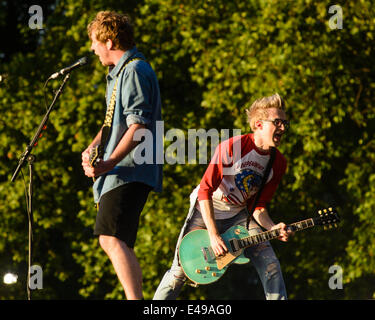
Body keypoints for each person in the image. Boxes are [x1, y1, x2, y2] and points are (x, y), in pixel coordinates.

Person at [153, 93, 291, 300]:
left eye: (285, 123)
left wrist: (272, 228)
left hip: (238, 215)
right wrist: (213, 234)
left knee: (271, 264)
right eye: (277, 122)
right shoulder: (232, 147)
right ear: (258, 124)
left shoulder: (278, 163)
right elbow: (205, 190)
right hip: (207, 208)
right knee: (179, 272)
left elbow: (258, 206)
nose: (282, 128)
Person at [81, 11, 162, 300]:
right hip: (121, 170)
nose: (92, 49)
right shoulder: (120, 73)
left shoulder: (135, 70)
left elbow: (138, 126)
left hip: (129, 170)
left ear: (110, 41)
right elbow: (113, 123)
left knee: (111, 238)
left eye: (94, 42)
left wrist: (109, 162)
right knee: (117, 240)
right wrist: (92, 149)